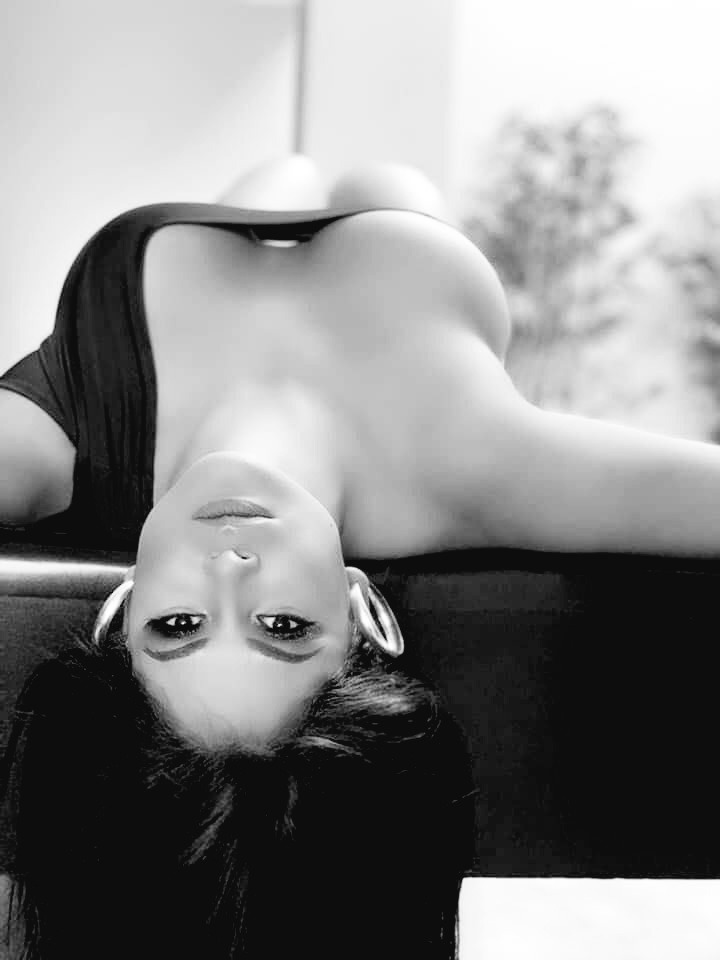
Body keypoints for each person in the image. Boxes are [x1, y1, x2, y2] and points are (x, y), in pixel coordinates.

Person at [3, 153, 720, 958]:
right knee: (383, 180)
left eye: (177, 625)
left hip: (193, 240)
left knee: (284, 170)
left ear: (123, 611)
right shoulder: (476, 469)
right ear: (357, 611)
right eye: (281, 626)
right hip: (394, 241)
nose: (229, 569)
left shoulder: (49, 447)